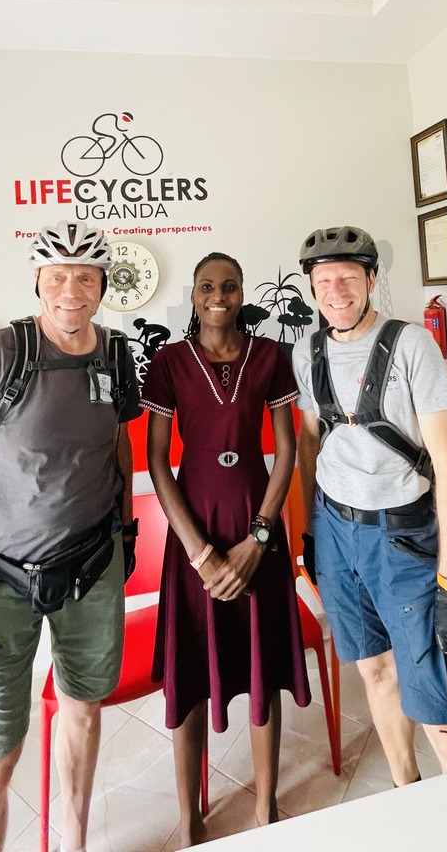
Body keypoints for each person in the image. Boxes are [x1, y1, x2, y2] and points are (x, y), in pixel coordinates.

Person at [0, 220, 141, 852]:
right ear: (38, 283)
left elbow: (119, 445)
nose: (71, 291)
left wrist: (126, 529)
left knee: (83, 710)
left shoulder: (116, 355)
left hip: (92, 569)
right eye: (58, 277)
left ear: (103, 285)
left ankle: (74, 843)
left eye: (86, 278)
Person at [292, 225, 447, 786]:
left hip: (403, 539)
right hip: (336, 532)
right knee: (375, 669)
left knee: (443, 707)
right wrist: (310, 534)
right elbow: (309, 443)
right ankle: (406, 789)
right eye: (323, 281)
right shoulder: (307, 352)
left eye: (348, 278)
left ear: (371, 279)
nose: (336, 291)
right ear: (312, 288)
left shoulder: (411, 345)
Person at [141, 252, 310, 847]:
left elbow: (286, 451)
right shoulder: (169, 362)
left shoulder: (269, 357)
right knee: (190, 673)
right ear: (193, 295)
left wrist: (259, 538)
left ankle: (265, 806)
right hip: (195, 534)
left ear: (242, 293)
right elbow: (157, 461)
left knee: (263, 665)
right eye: (208, 286)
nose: (219, 295)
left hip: (256, 530)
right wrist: (202, 555)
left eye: (230, 286)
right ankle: (190, 818)